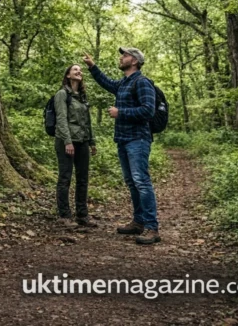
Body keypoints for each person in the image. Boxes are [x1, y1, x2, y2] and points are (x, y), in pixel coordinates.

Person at [82, 48, 160, 245]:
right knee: (132, 182)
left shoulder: (142, 82)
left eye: (125, 55)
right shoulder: (124, 83)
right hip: (123, 139)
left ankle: (152, 227)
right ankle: (139, 222)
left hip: (138, 139)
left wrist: (120, 112)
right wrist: (92, 67)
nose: (121, 57)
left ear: (134, 61)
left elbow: (148, 111)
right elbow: (107, 83)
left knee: (141, 182)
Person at [54, 64, 97, 227]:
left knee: (83, 178)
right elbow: (61, 119)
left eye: (80, 70)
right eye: (75, 70)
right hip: (66, 142)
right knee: (65, 177)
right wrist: (67, 141)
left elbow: (87, 121)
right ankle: (64, 215)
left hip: (82, 142)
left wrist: (92, 141)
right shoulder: (62, 94)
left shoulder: (82, 96)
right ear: (68, 75)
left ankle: (82, 215)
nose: (79, 71)